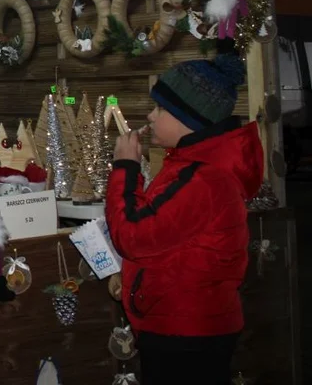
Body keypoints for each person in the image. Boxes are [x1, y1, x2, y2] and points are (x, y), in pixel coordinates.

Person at [105, 42, 263, 385]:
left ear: (188, 119)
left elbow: (131, 235)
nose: (150, 116)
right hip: (183, 324)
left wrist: (125, 168)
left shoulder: (202, 178)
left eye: (159, 109)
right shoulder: (192, 166)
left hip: (186, 331)